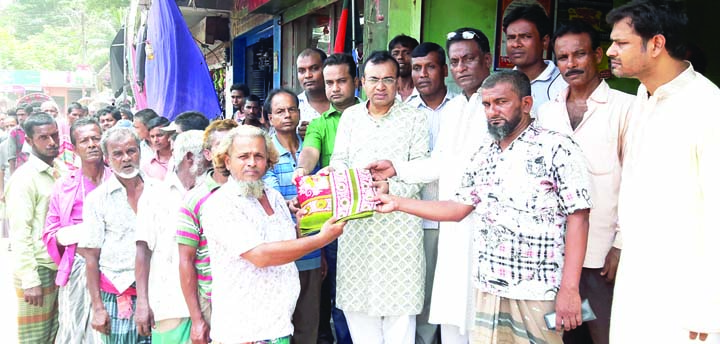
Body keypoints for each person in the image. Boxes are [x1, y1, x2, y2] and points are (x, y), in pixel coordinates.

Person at [373, 70, 591, 344]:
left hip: (538, 290)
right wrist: (398, 203)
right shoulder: (484, 154)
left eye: (501, 102)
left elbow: (579, 219)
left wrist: (570, 289)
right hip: (487, 290)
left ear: (526, 104)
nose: (492, 111)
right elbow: (458, 208)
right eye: (487, 105)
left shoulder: (557, 148)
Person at [605, 1, 720, 342]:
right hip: (637, 281)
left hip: (685, 299)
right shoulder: (644, 96)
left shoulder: (707, 106)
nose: (611, 51)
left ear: (656, 44)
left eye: (621, 43)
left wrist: (709, 308)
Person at [536, 21, 635, 344]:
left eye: (579, 54)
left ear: (597, 55)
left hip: (602, 257)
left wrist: (621, 245)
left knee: (605, 335)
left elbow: (635, 182)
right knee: (561, 336)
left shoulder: (626, 109)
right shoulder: (547, 114)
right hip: (554, 259)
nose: (571, 64)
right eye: (562, 57)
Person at [201, 125, 346, 343]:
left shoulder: (274, 196)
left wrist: (302, 226)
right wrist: (321, 240)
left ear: (268, 161)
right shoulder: (221, 204)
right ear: (227, 162)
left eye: (259, 156)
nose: (252, 162)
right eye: (243, 156)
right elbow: (261, 256)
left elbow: (286, 246)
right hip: (245, 331)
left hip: (277, 325)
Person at [329, 50, 429, 343]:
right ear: (362, 82)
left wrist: (392, 189)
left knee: (400, 320)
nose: (380, 86)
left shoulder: (415, 118)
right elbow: (339, 160)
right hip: (357, 227)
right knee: (361, 318)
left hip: (400, 227)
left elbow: (421, 168)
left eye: (388, 79)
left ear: (399, 82)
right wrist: (345, 179)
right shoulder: (350, 117)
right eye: (373, 79)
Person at [293, 53, 359, 344]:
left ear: (356, 82)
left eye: (341, 81)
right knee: (340, 292)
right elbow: (310, 152)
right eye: (329, 82)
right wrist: (302, 169)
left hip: (376, 215)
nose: (334, 88)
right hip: (339, 220)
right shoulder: (320, 124)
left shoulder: (369, 116)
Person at [78, 126, 154, 344]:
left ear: (141, 151)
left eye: (131, 151)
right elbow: (91, 256)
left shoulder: (159, 191)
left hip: (158, 289)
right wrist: (98, 307)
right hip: (118, 292)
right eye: (117, 154)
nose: (126, 159)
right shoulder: (97, 199)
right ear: (107, 159)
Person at [404, 41, 457, 344]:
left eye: (430, 67)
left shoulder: (463, 107)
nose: (422, 74)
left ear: (444, 70)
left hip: (456, 215)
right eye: (416, 68)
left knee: (449, 291)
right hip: (417, 215)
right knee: (420, 291)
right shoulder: (405, 111)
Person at [262, 89, 323, 344]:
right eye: (280, 111)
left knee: (308, 324)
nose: (287, 115)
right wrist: (290, 204)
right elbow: (272, 194)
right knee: (278, 325)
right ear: (268, 118)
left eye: (292, 109)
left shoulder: (311, 149)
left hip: (311, 251)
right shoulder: (264, 153)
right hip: (280, 252)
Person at [43, 117, 110, 344]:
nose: (92, 144)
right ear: (73, 148)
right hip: (78, 268)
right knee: (74, 332)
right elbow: (51, 232)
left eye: (96, 138)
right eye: (85, 140)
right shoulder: (65, 185)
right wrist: (78, 233)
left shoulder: (120, 179)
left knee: (109, 331)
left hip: (115, 269)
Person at [135, 130, 205, 343]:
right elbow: (142, 252)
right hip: (170, 303)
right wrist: (143, 302)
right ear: (190, 157)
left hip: (208, 303)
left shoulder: (212, 193)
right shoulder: (155, 194)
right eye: (208, 154)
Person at [176, 119, 238, 344]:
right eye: (221, 147)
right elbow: (186, 261)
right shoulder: (195, 199)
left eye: (234, 145)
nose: (227, 153)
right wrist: (197, 319)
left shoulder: (256, 193)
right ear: (208, 154)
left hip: (249, 297)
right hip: (213, 300)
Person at [6, 113, 65, 343]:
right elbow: (20, 234)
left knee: (57, 334)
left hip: (59, 266)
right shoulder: (24, 180)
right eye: (44, 138)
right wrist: (30, 280)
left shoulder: (60, 168)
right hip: (37, 270)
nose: (52, 142)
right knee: (35, 339)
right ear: (29, 141)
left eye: (54, 135)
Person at [503, 4, 567, 115]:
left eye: (525, 36)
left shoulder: (564, 83)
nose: (516, 44)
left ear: (545, 41)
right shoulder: (501, 84)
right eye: (511, 38)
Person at [296, 48, 330, 137]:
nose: (307, 75)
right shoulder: (292, 107)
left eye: (314, 69)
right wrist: (296, 136)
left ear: (326, 69)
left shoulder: (346, 103)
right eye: (301, 71)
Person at [389, 34, 420, 102]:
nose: (400, 57)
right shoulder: (385, 92)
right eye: (396, 53)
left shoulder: (424, 92)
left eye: (407, 53)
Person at [7, 105, 33, 173]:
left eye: (23, 115)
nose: (20, 118)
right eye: (18, 115)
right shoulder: (14, 132)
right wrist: (12, 175)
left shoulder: (35, 129)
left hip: (36, 166)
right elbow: (11, 156)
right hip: (21, 168)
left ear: (29, 115)